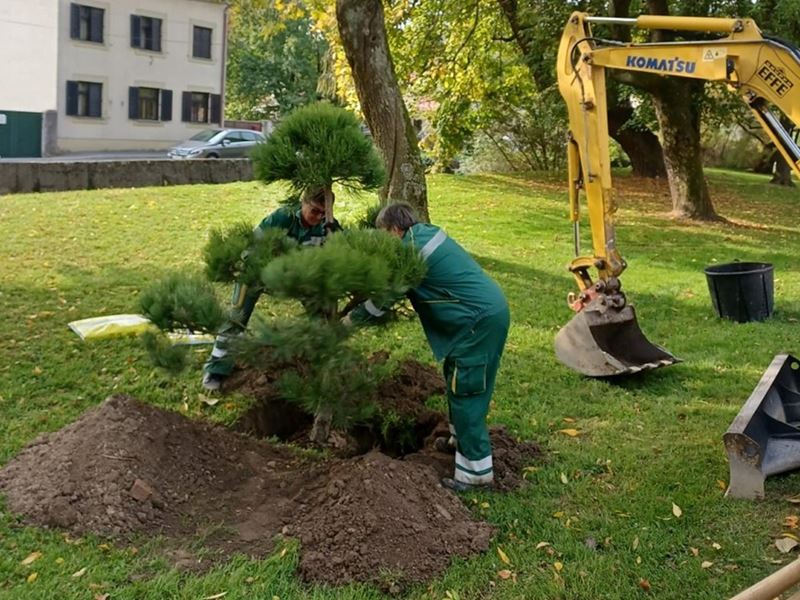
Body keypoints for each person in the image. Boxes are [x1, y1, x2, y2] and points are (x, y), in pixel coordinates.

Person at [345, 202, 510, 492]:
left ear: (394, 230)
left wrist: (348, 322)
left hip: (477, 322)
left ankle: (476, 477)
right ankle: (460, 442)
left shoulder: (410, 251)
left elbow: (384, 299)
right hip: (480, 316)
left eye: (382, 235)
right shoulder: (423, 234)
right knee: (456, 377)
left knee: (467, 389)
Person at [202, 188, 338, 391]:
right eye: (314, 211)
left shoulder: (327, 226)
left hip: (297, 278)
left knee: (321, 312)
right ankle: (216, 369)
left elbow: (342, 249)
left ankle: (323, 358)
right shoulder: (282, 218)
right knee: (237, 316)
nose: (318, 217)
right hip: (257, 273)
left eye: (323, 213)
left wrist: (335, 236)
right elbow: (252, 247)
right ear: (303, 202)